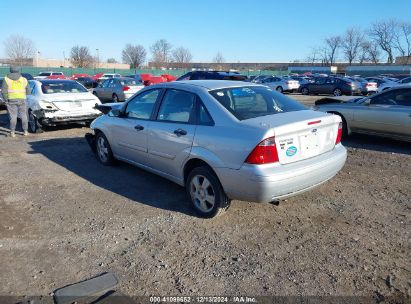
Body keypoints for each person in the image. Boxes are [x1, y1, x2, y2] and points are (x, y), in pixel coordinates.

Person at [1, 66, 30, 137]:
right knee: (24, 116)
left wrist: (5, 100)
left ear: (10, 70)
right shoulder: (24, 79)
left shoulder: (6, 79)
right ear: (19, 70)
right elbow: (28, 91)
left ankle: (12, 132)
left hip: (11, 100)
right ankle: (25, 131)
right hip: (22, 99)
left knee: (13, 117)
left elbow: (4, 91)